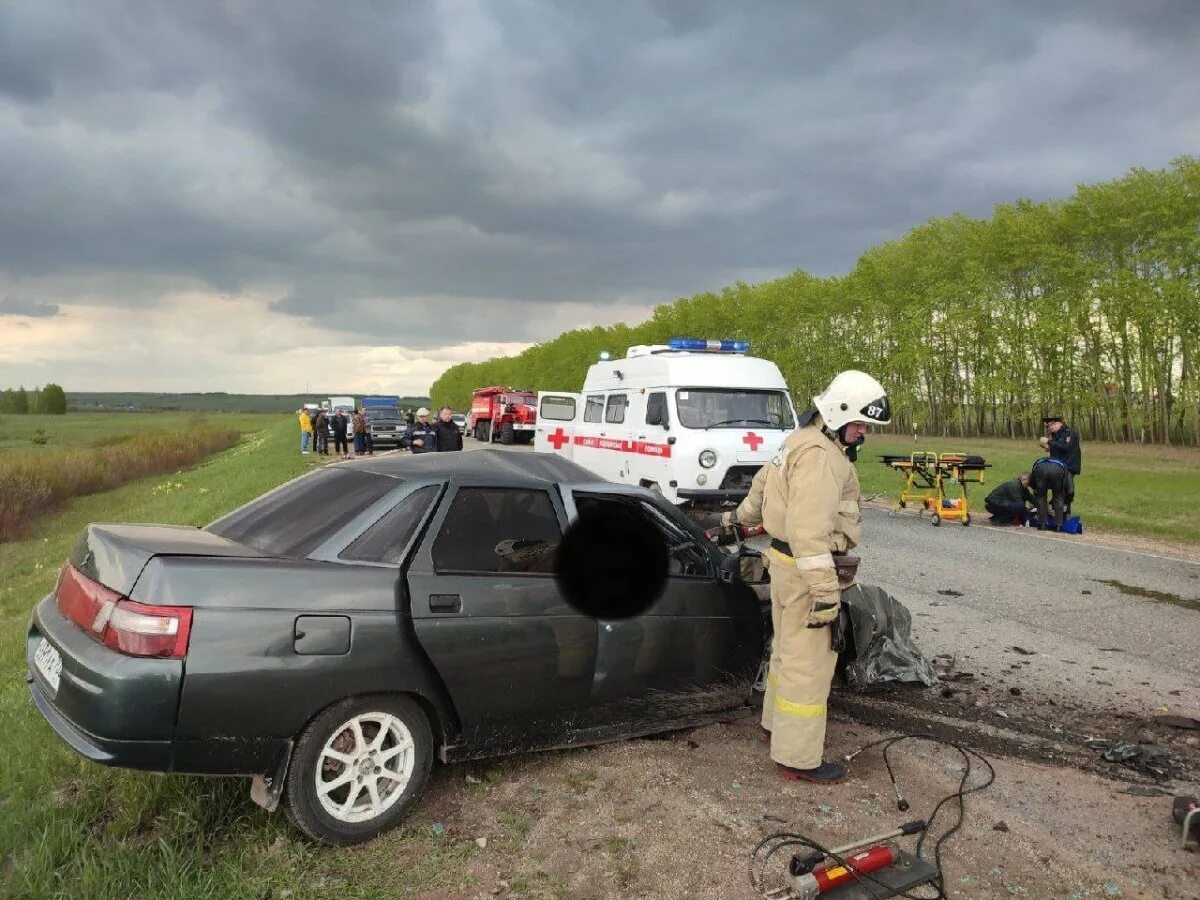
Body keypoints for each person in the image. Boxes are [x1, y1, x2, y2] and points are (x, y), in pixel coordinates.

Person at [721, 370, 891, 784]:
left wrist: (734, 522)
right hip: (804, 571)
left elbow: (759, 492)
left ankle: (775, 727)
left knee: (786, 653)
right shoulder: (821, 457)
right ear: (837, 414)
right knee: (809, 665)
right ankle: (797, 759)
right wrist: (825, 592)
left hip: (782, 566)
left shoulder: (798, 440)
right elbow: (809, 532)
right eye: (859, 423)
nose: (863, 432)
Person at [1030, 456, 1070, 530]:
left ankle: (1042, 524)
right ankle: (1058, 525)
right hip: (1058, 471)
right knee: (1058, 498)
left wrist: (1035, 490)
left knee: (1041, 497)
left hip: (1040, 469)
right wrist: (1062, 494)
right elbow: (1065, 484)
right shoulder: (1063, 465)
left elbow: (1032, 480)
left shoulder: (1038, 462)